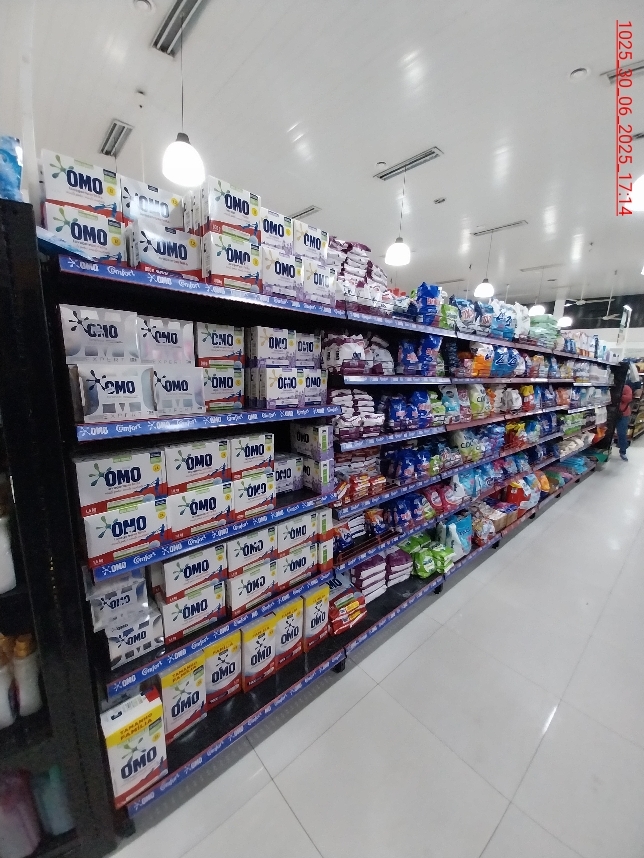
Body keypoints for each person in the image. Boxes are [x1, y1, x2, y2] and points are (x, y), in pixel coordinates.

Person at [616, 380, 633, 461]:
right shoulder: (612, 386)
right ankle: (606, 450)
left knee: (622, 433)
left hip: (623, 414)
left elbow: (629, 398)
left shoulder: (626, 387)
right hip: (611, 413)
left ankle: (623, 452)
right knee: (607, 433)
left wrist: (619, 395)